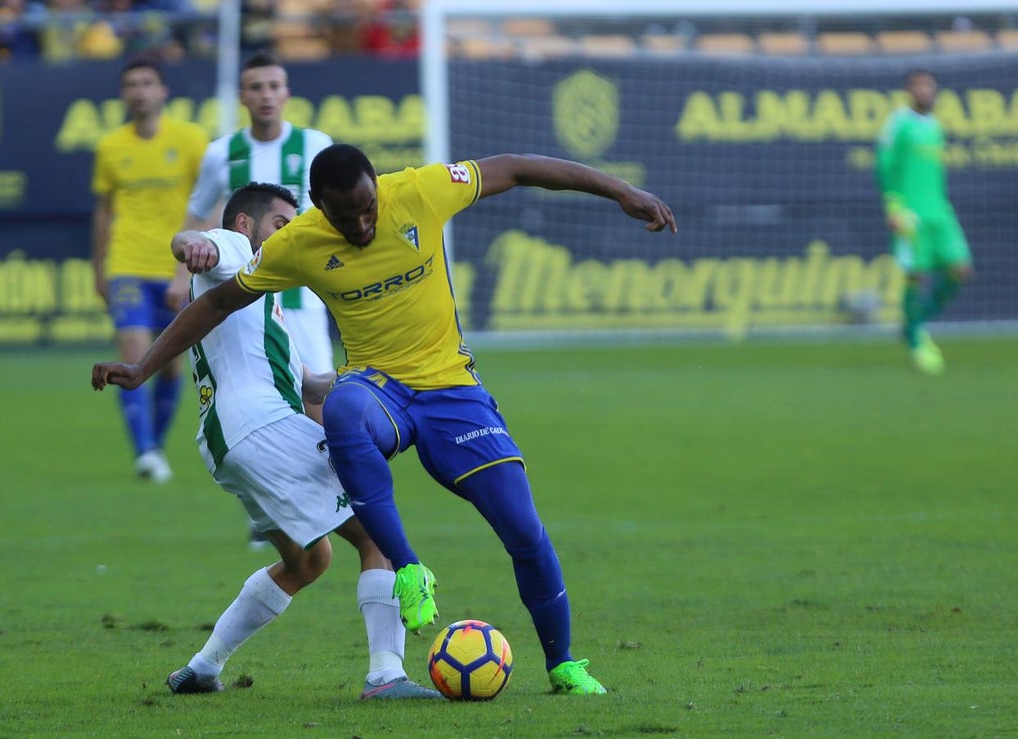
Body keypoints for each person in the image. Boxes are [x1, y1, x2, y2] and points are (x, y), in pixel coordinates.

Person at [92, 144, 677, 696]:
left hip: (450, 389)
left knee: (518, 529)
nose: (364, 225)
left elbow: (519, 167)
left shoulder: (422, 190)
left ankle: (564, 663)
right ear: (322, 208)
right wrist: (147, 357)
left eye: (369, 209)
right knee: (345, 406)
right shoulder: (293, 241)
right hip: (378, 392)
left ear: (378, 189)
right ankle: (405, 585)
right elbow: (215, 287)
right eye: (348, 217)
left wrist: (620, 191)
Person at [156, 182, 439, 700]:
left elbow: (311, 386)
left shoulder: (265, 312)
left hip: (229, 442)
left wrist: (391, 375)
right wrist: (193, 246)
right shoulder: (237, 250)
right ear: (246, 224)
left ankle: (202, 666)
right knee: (376, 532)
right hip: (262, 429)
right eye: (282, 225)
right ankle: (386, 676)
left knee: (308, 562)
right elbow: (195, 241)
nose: (291, 235)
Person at [185, 50, 337, 399]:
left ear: (287, 93)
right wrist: (181, 279)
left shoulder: (315, 145)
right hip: (244, 297)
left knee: (320, 398)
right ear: (242, 97)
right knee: (255, 395)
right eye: (256, 87)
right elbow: (197, 214)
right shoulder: (221, 153)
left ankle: (330, 454)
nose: (265, 95)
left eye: (274, 86)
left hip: (303, 295)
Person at [91, 57, 209, 482]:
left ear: (163, 91)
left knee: (170, 366)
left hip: (175, 268)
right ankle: (144, 451)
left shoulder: (192, 139)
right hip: (127, 265)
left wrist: (189, 268)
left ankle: (155, 445)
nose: (139, 90)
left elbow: (211, 201)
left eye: (146, 82)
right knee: (134, 356)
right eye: (131, 84)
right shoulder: (110, 147)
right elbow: (103, 212)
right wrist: (99, 267)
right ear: (123, 94)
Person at [876, 69, 973, 375]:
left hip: (939, 212)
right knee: (915, 276)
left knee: (960, 270)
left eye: (929, 86)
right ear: (909, 91)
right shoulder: (898, 123)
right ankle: (918, 342)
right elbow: (885, 165)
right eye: (919, 87)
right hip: (910, 215)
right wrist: (893, 206)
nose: (925, 91)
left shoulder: (935, 126)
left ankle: (913, 324)